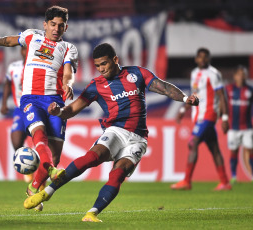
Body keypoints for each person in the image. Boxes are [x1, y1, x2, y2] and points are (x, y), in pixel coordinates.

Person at [23, 43, 199, 222]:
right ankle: (47, 192)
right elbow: (73, 109)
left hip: (138, 139)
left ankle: (92, 213)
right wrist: (58, 112)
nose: (101, 69)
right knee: (91, 157)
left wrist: (185, 98)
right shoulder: (96, 85)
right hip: (116, 131)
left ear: (115, 60)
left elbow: (163, 87)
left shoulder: (137, 73)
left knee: (118, 173)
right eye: (98, 66)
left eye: (104, 64)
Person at [0, 6, 78, 211]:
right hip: (30, 98)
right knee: (39, 134)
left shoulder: (68, 47)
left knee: (54, 156)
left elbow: (67, 72)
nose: (56, 29)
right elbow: (12, 40)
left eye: (61, 25)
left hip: (55, 101)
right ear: (45, 24)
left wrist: (69, 85)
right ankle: (50, 173)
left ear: (66, 27)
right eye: (53, 24)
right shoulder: (32, 36)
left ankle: (35, 185)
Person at [171, 47, 231, 191]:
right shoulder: (194, 73)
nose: (202, 59)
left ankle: (186, 181)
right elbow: (195, 94)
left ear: (209, 59)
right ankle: (225, 182)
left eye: (205, 57)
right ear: (196, 59)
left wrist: (224, 117)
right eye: (200, 57)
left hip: (209, 115)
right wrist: (183, 109)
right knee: (214, 148)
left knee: (193, 142)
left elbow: (222, 96)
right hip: (198, 116)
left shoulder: (213, 74)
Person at [0, 46, 33, 183]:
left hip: (36, 108)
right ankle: (29, 168)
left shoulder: (38, 68)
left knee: (44, 140)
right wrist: (4, 103)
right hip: (19, 109)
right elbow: (8, 84)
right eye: (25, 49)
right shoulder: (13, 67)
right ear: (21, 51)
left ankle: (44, 171)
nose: (26, 52)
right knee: (16, 142)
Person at [225, 65, 253, 183]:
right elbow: (223, 104)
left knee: (250, 149)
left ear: (246, 76)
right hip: (233, 127)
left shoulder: (250, 90)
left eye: (243, 74)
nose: (241, 76)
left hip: (247, 127)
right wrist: (224, 118)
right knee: (234, 151)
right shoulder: (228, 89)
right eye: (239, 74)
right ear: (235, 76)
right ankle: (233, 176)